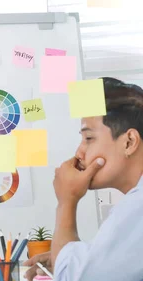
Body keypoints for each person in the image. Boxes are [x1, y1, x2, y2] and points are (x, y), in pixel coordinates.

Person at [49, 77, 143, 281]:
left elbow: (72, 278)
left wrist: (67, 201)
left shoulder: (138, 206)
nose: (79, 153)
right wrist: (87, 258)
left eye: (89, 139)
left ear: (129, 142)